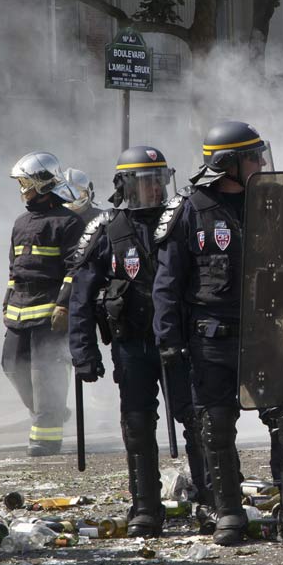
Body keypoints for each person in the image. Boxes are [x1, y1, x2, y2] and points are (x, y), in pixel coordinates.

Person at [152, 121, 283, 548]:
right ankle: (229, 514)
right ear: (227, 163)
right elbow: (167, 284)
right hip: (212, 340)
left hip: (266, 334)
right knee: (216, 427)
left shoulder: (278, 203)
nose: (261, 162)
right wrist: (168, 340)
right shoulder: (189, 209)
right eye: (252, 156)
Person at [68, 146, 208, 537]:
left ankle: (211, 500)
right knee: (137, 423)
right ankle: (145, 507)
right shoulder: (105, 229)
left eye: (158, 181)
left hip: (180, 344)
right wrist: (83, 351)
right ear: (124, 185)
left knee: (198, 421)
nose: (153, 190)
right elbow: (81, 294)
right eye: (144, 182)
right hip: (132, 346)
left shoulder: (183, 219)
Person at [3, 152, 85, 456]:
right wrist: (5, 303)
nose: (21, 188)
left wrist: (63, 306)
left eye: (25, 182)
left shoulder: (69, 222)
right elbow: (15, 268)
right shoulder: (21, 222)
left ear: (41, 183)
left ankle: (46, 439)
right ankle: (49, 411)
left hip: (49, 311)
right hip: (19, 308)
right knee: (11, 365)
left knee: (45, 373)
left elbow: (74, 269)